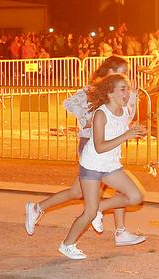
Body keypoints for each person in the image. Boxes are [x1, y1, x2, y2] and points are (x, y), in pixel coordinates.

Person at [24, 56, 145, 246]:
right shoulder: (93, 91)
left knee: (77, 192)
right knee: (113, 190)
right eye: (121, 71)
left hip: (109, 150)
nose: (125, 76)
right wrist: (90, 118)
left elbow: (125, 116)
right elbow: (72, 105)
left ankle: (37, 208)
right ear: (110, 72)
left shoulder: (118, 90)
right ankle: (106, 231)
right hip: (92, 147)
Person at [58, 73, 147, 260]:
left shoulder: (123, 111)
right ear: (110, 93)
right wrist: (127, 135)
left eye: (128, 89)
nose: (127, 93)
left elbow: (121, 130)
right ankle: (67, 245)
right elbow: (99, 146)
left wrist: (138, 132)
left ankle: (100, 208)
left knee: (136, 196)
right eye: (123, 89)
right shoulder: (100, 114)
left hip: (110, 164)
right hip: (92, 165)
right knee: (89, 212)